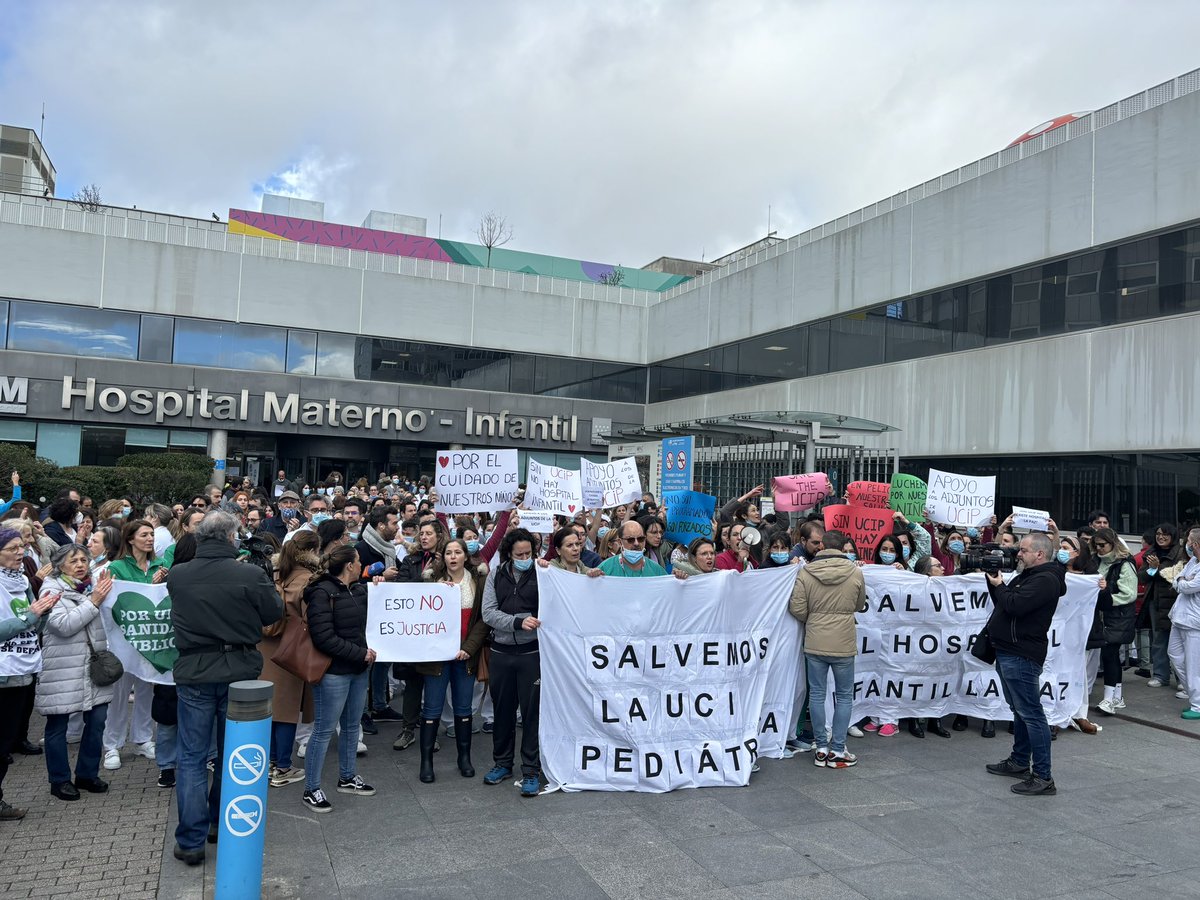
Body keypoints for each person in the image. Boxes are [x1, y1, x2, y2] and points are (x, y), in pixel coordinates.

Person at [168, 510, 282, 865]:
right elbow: (273, 613)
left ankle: (191, 839)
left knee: (191, 757)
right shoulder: (247, 573)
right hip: (239, 671)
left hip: (196, 671)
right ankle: (218, 822)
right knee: (230, 753)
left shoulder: (178, 575)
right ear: (232, 538)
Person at [983, 532, 1065, 796]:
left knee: (1031, 714)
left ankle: (1043, 776)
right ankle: (1019, 761)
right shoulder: (1029, 576)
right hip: (1008, 651)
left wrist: (1000, 586)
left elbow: (1015, 605)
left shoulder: (1046, 580)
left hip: (1021, 654)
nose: (1018, 554)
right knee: (1019, 710)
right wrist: (994, 584)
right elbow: (1004, 605)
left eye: (1024, 550)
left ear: (1039, 554)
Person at [36, 545, 116, 801]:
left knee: (97, 721)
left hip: (93, 668)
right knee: (58, 724)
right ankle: (59, 780)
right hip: (63, 668)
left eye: (84, 559)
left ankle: (87, 774)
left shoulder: (92, 586)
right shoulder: (52, 589)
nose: (81, 564)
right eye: (74, 561)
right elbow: (62, 625)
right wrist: (93, 602)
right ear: (60, 565)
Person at [301, 545, 376, 812]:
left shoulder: (357, 589)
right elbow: (323, 638)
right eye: (358, 562)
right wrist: (360, 654)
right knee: (323, 730)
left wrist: (379, 585)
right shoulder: (322, 593)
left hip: (357, 669)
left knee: (351, 725)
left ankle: (347, 776)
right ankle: (311, 788)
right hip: (333, 673)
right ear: (349, 566)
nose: (361, 565)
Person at [788, 529, 866, 769]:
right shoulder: (855, 572)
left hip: (815, 641)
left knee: (818, 696)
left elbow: (797, 608)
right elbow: (860, 604)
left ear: (822, 547)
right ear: (843, 549)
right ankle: (838, 749)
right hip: (843, 642)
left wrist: (814, 619)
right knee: (844, 696)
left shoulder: (806, 572)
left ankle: (821, 748)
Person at [415, 538, 489, 783]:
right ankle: (427, 762)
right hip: (437, 657)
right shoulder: (430, 582)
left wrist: (469, 648)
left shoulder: (477, 581)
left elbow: (482, 620)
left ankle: (464, 757)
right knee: (432, 707)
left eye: (458, 552)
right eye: (449, 553)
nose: (453, 556)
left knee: (464, 707)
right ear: (443, 557)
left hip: (464, 656)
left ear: (466, 557)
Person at [481, 528, 543, 797]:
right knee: (503, 711)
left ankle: (531, 769)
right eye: (520, 554)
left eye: (528, 553)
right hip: (502, 653)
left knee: (531, 715)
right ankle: (502, 763)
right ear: (509, 554)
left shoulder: (542, 573)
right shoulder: (496, 575)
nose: (525, 558)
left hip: (532, 653)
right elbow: (488, 614)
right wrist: (518, 622)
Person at [0, 526, 56, 820]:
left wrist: (43, 613)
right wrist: (30, 616)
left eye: (21, 547)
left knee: (6, 740)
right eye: (12, 549)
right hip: (2, 672)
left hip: (22, 669)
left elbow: (32, 626)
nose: (20, 553)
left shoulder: (21, 580)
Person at [101, 519, 166, 772]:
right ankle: (112, 745)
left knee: (146, 692)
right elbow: (113, 601)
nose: (150, 539)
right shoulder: (116, 567)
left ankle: (142, 738)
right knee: (118, 695)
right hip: (124, 642)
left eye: (151, 534)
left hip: (151, 640)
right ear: (130, 539)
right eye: (144, 535)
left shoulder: (161, 565)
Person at [260, 530, 320, 788]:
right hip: (291, 650)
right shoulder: (307, 580)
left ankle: (271, 762)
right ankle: (282, 767)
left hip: (265, 648)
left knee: (270, 710)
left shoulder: (273, 574)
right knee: (286, 712)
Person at [1093, 527, 1138, 716]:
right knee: (1111, 656)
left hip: (1117, 616)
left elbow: (1129, 593)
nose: (1099, 549)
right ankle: (1116, 697)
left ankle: (1109, 699)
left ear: (1112, 544)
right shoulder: (1098, 560)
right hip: (1105, 616)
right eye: (1096, 546)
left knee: (1109, 655)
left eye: (1102, 545)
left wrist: (1108, 599)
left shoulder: (1125, 564)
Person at [1138, 523, 1184, 689]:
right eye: (1158, 534)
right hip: (1155, 602)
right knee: (1158, 640)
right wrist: (1151, 569)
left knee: (1179, 641)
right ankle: (1160, 675)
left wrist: (1157, 568)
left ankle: (1182, 679)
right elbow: (1142, 577)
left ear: (1173, 536)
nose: (1161, 537)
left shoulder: (1180, 552)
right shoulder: (1151, 552)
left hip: (1175, 601)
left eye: (1165, 534)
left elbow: (1176, 574)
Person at [1167, 527, 1200, 720]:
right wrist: (1181, 579)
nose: (1185, 544)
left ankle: (1197, 705)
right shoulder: (1193, 562)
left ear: (1194, 544)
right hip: (1179, 617)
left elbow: (1188, 587)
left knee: (1193, 665)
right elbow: (1177, 578)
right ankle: (1192, 690)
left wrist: (1181, 581)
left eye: (1188, 541)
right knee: (1175, 655)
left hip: (1194, 622)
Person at [599, 521, 667, 577]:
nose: (636, 543)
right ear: (620, 542)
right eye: (630, 540)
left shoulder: (657, 570)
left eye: (641, 539)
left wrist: (676, 579)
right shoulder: (605, 568)